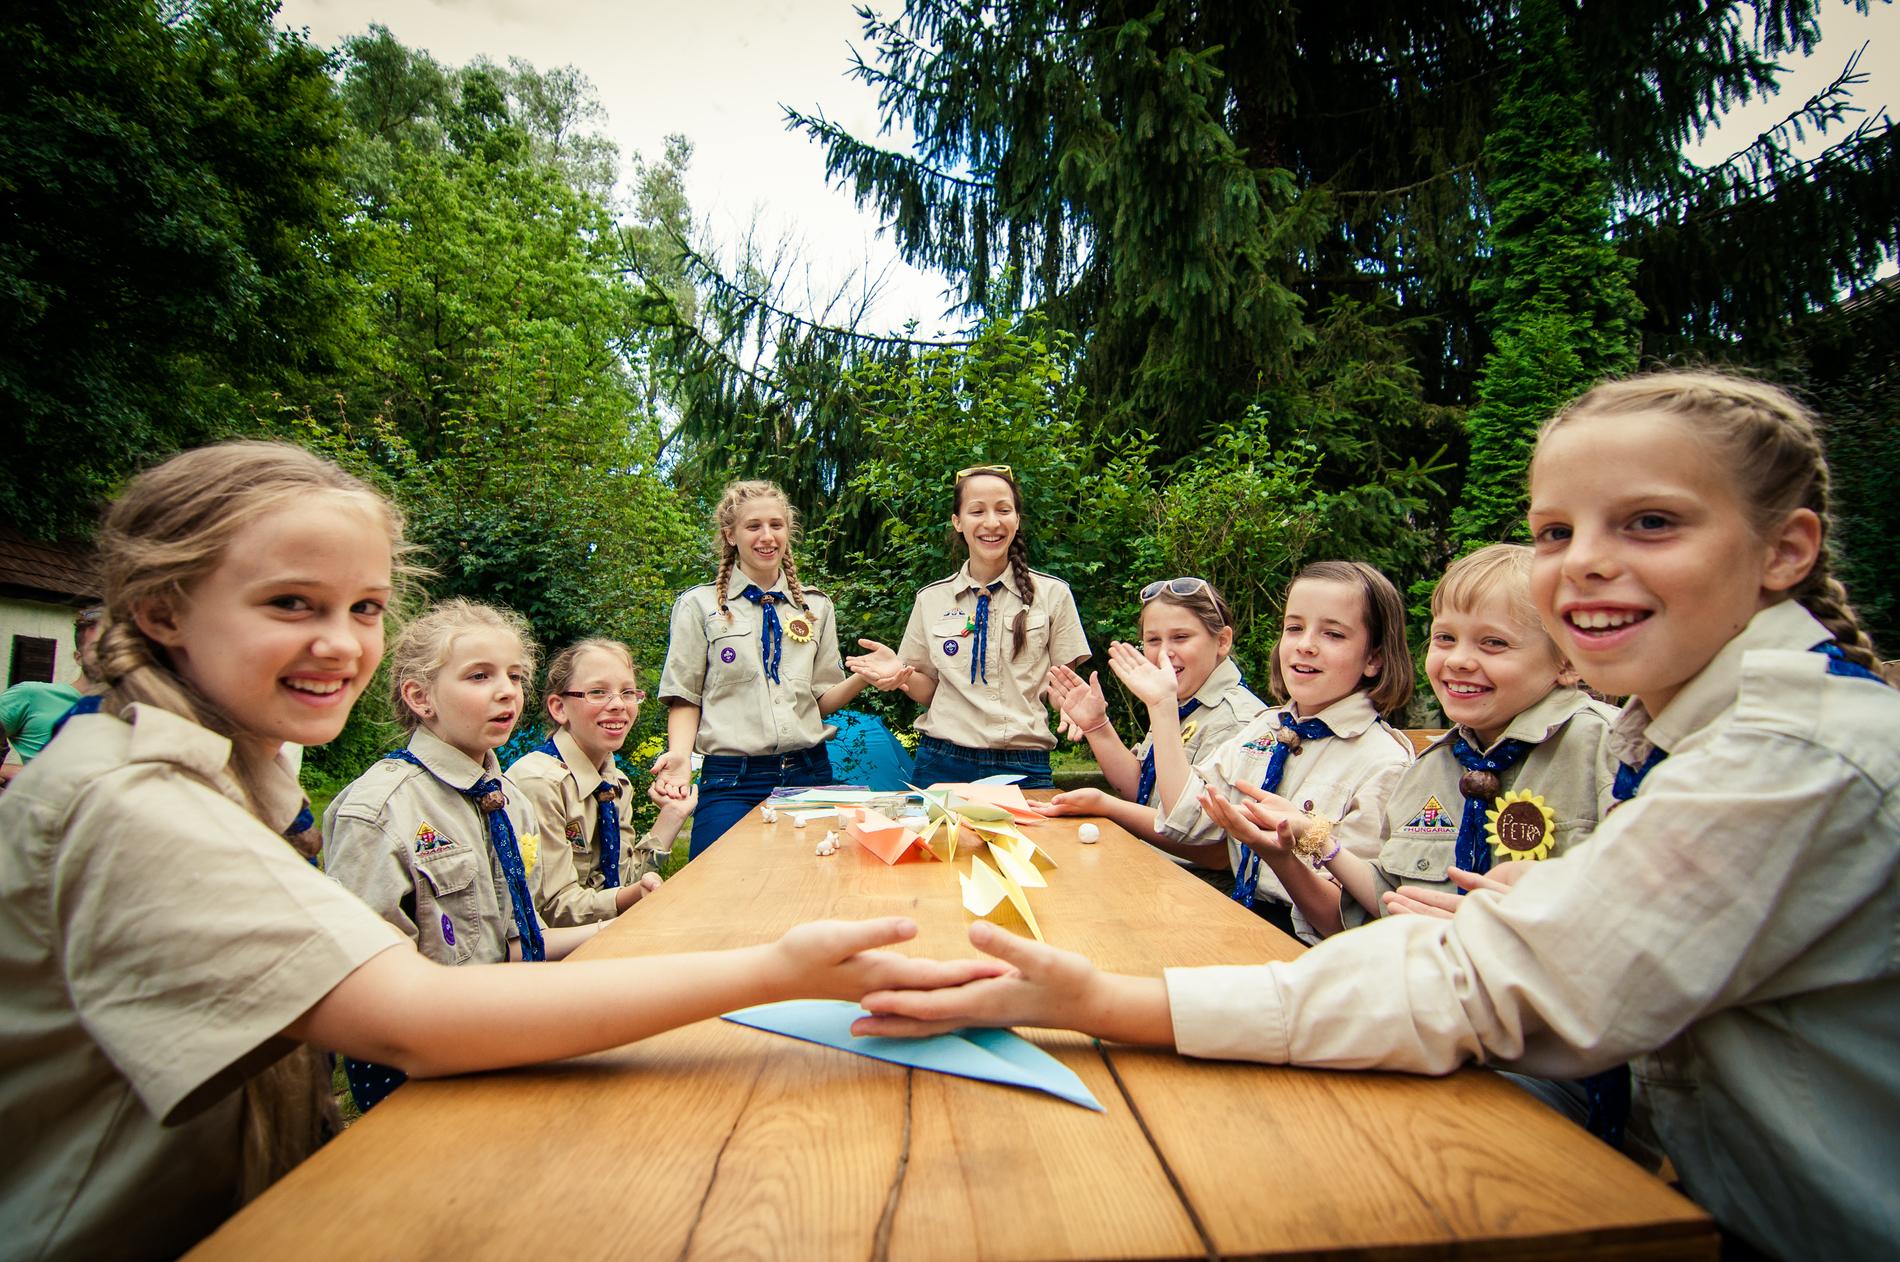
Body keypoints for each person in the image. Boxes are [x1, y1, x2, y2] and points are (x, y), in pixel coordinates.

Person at [854, 372, 1900, 1260]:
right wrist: (1551, 901)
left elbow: (1479, 987)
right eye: (1555, 530)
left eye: (1651, 522)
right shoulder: (1697, 737)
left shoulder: (1785, 756)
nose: (1583, 560)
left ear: (1785, 549)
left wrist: (1106, 1000)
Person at [0, 441, 992, 1261]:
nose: (341, 643)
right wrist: (776, 968)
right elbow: (414, 1016)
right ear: (163, 610)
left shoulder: (215, 774)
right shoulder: (133, 800)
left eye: (364, 607)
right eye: (290, 604)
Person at [1220, 545, 1614, 939]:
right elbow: (1387, 897)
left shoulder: (1609, 749)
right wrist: (1314, 838)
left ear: (1568, 659)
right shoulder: (1431, 770)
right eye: (1445, 638)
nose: (1458, 660)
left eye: (1493, 643)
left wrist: (1515, 926)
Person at [1134, 562, 1415, 934]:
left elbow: (1344, 922)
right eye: (1294, 628)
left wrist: (1280, 856)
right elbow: (1185, 817)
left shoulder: (1383, 762)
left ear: (1374, 658)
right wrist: (1162, 709)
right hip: (1237, 919)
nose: (1305, 645)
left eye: (1333, 634)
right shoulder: (1265, 727)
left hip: (1306, 944)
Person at [654, 480, 872, 854]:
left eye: (776, 525)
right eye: (753, 526)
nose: (767, 536)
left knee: (812, 882)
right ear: (731, 535)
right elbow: (685, 697)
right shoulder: (699, 606)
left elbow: (819, 702)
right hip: (731, 781)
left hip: (808, 774)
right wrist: (679, 757)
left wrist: (864, 677)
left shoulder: (816, 608)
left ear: (788, 531)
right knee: (718, 883)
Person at [850, 465, 1089, 789]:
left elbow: (1061, 686)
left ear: (1017, 519)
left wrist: (1072, 705)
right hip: (941, 762)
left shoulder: (1053, 595)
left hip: (1024, 764)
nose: (991, 522)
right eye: (977, 511)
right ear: (957, 521)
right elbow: (930, 691)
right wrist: (901, 675)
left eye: (1003, 510)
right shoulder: (931, 599)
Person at [1035, 578, 1267, 891]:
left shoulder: (1237, 722)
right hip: (1155, 871)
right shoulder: (1180, 702)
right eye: (1153, 640)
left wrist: (1107, 806)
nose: (1165, 653)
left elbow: (1217, 853)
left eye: (1181, 637)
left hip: (1205, 891)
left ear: (1222, 641)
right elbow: (1143, 792)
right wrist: (1097, 726)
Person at [508, 637, 682, 926]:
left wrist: (672, 816)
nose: (618, 704)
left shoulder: (616, 784)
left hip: (605, 936)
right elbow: (553, 910)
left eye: (628, 692)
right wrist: (631, 897)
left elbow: (623, 883)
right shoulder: (539, 783)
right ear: (559, 708)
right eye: (598, 692)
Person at [0, 605, 102, 785]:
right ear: (78, 657)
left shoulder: (135, 708)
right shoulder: (31, 695)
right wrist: (7, 769)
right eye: (98, 648)